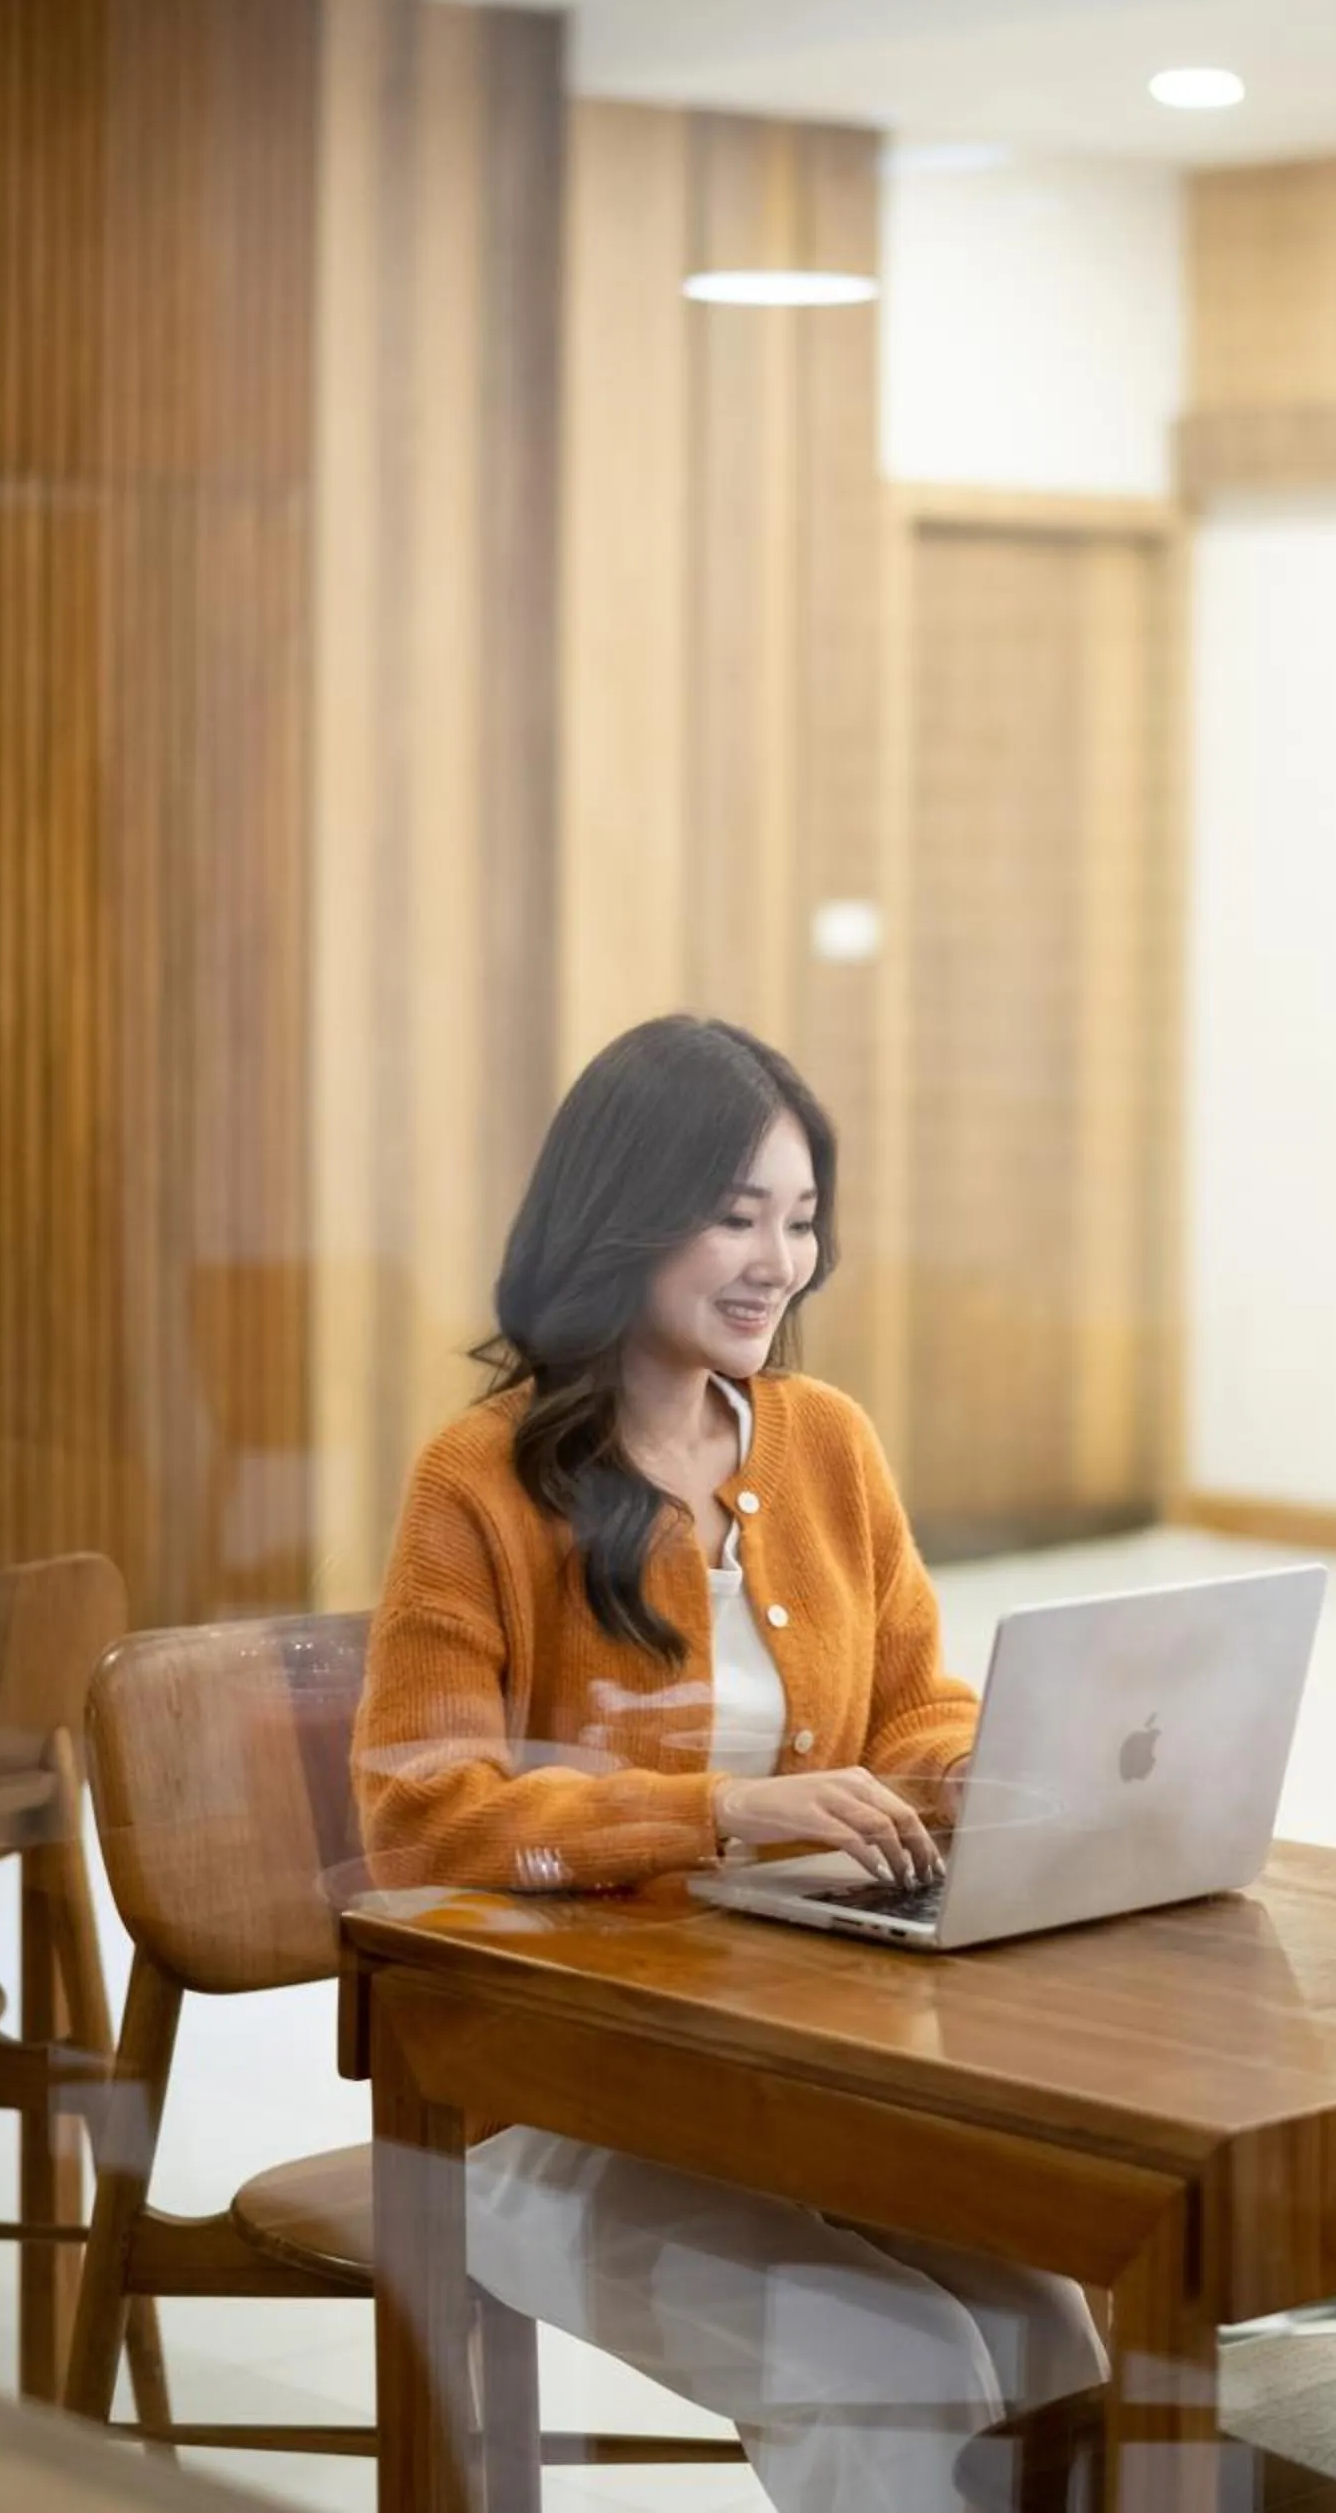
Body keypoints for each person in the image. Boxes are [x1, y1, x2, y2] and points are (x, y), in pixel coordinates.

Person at [352, 1012, 1107, 2513]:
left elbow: (913, 1704)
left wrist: (972, 1786)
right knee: (896, 2373)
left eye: (802, 1218)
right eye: (733, 1214)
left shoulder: (824, 1442)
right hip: (547, 2109)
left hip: (794, 2069)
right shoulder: (482, 1481)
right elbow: (421, 1826)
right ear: (621, 1217)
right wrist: (717, 1813)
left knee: (1057, 2340)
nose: (779, 1260)